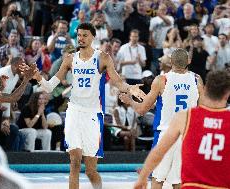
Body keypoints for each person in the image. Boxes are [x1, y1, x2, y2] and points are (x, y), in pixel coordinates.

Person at [34, 22, 145, 189]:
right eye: (79, 35)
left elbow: (117, 82)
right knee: (75, 162)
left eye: (85, 35)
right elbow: (50, 86)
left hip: (93, 115)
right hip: (74, 112)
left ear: (93, 37)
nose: (81, 38)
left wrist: (130, 89)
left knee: (91, 170)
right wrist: (38, 77)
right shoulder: (70, 59)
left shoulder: (103, 58)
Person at [119, 48, 204, 189]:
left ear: (171, 62)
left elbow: (141, 110)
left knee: (157, 179)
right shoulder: (197, 80)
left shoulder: (161, 80)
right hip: (187, 136)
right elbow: (201, 110)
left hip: (165, 136)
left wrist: (130, 101)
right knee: (178, 181)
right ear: (188, 61)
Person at [133, 70, 230, 189]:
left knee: (161, 179)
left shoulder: (185, 117)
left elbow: (159, 151)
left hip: (193, 185)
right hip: (221, 185)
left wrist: (142, 176)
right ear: (227, 93)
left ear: (206, 89)